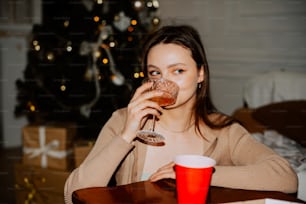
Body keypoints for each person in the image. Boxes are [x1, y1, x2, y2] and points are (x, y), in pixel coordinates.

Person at [64, 25, 298, 203]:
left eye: (178, 70)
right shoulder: (125, 120)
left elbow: (285, 178)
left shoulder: (224, 130)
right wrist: (126, 135)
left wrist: (197, 175)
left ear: (200, 74)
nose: (164, 82)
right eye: (155, 73)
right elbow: (73, 194)